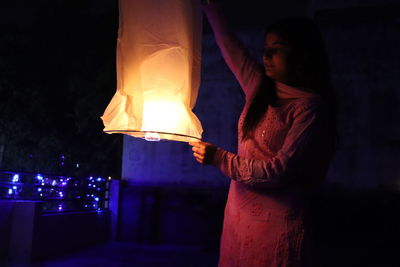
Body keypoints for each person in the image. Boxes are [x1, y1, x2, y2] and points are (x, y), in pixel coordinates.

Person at [189, 1, 337, 266]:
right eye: (265, 50)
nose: (266, 57)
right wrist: (211, 8)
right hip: (238, 219)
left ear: (302, 54)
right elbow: (231, 46)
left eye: (276, 50)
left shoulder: (310, 108)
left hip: (278, 226)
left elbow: (279, 171)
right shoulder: (260, 89)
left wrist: (219, 158)